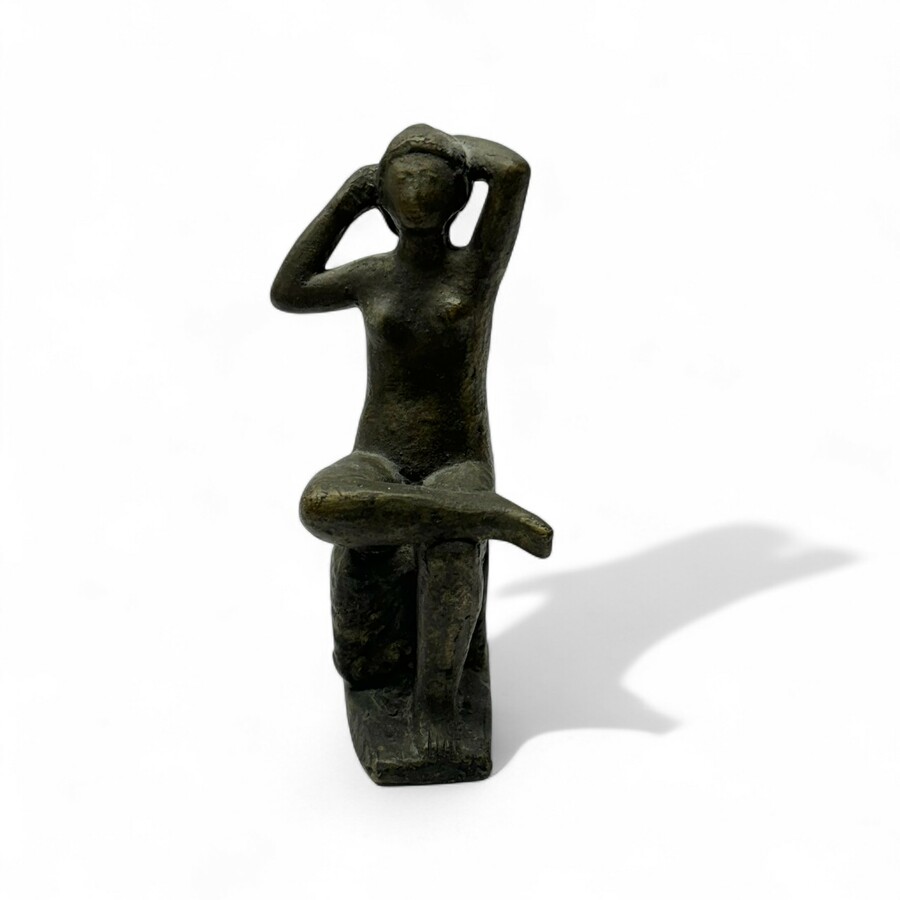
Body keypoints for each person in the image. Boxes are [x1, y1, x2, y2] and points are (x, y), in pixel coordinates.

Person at [271, 124, 552, 730]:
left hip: (458, 458)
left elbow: (512, 171)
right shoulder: (372, 276)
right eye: (404, 178)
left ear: (459, 195)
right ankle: (486, 516)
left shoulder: (475, 270)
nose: (418, 189)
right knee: (321, 504)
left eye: (431, 179)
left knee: (451, 551)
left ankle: (437, 704)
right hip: (379, 456)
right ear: (384, 196)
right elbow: (289, 291)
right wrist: (351, 195)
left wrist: (448, 147)